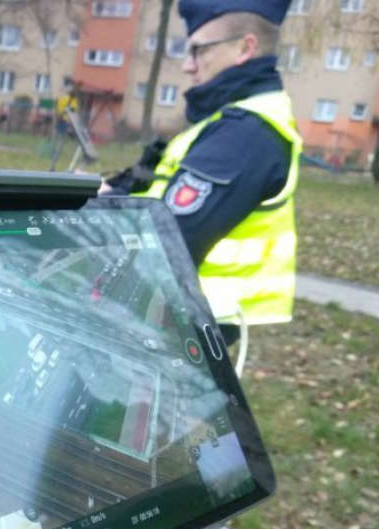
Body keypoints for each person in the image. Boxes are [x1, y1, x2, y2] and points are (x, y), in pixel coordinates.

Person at [102, 0, 302, 342]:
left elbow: (167, 241)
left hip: (181, 330)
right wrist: (110, 193)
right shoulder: (228, 120)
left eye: (197, 50)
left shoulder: (246, 134)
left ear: (244, 47)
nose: (187, 65)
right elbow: (157, 192)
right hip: (174, 317)